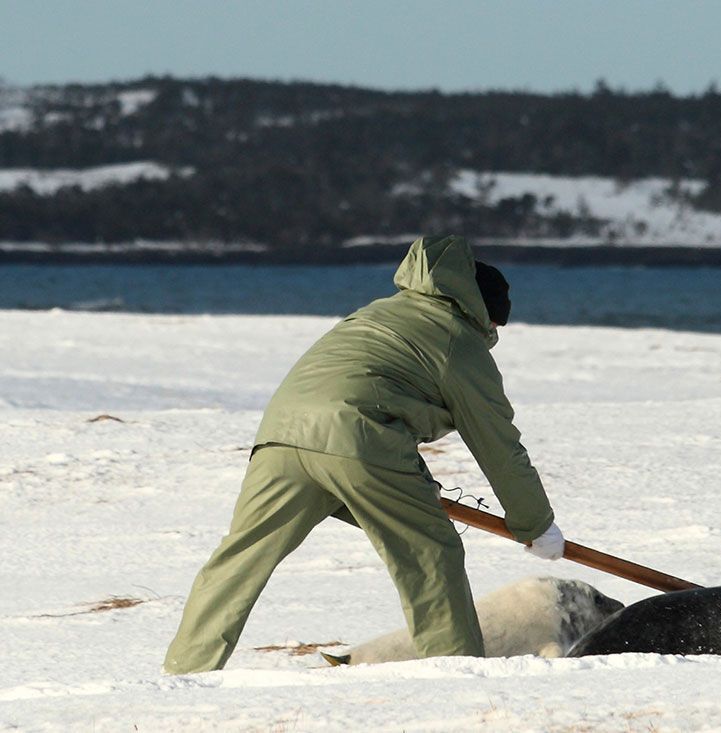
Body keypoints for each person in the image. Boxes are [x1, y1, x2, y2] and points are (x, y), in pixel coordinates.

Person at [163, 235, 563, 674]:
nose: (494, 336)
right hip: (358, 440)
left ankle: (187, 670)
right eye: (497, 327)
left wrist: (418, 489)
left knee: (241, 557)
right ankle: (455, 675)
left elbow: (373, 388)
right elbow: (499, 447)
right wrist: (535, 524)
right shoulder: (458, 342)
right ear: (484, 312)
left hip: (281, 434)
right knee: (431, 553)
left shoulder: (378, 312)